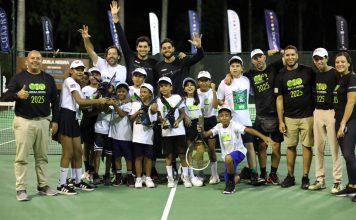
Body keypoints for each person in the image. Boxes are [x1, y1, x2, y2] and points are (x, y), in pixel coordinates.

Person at [2, 50, 59, 201]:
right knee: (21, 158)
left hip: (43, 121)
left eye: (38, 58)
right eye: (32, 58)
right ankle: (21, 189)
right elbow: (5, 95)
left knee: (42, 158)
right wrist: (17, 95)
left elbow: (55, 101)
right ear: (27, 61)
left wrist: (55, 120)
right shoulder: (18, 78)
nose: (35, 60)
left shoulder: (48, 79)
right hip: (24, 122)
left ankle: (43, 186)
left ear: (41, 61)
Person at [57, 60, 108, 195]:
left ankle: (77, 181)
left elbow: (81, 105)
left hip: (74, 118)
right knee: (68, 153)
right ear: (71, 71)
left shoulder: (78, 85)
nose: (80, 71)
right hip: (66, 117)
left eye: (81, 69)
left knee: (78, 152)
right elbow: (80, 101)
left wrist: (100, 101)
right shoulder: (70, 81)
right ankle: (61, 184)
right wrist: (98, 101)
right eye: (77, 69)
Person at [198, 106, 274, 194]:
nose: (224, 117)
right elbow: (205, 134)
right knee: (230, 179)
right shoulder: (218, 127)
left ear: (231, 117)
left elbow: (249, 130)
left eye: (227, 115)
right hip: (227, 158)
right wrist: (202, 130)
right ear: (218, 118)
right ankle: (243, 174)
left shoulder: (234, 125)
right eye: (221, 115)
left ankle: (231, 185)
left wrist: (263, 137)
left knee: (228, 158)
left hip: (239, 152)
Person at [217, 55, 265, 186]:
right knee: (231, 149)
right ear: (229, 68)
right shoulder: (224, 83)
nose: (235, 68)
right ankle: (232, 174)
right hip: (231, 123)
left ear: (242, 68)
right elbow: (219, 100)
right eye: (232, 66)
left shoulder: (247, 80)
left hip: (246, 121)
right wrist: (223, 104)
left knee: (250, 146)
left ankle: (254, 174)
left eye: (237, 66)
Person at [275, 45, 315, 189]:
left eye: (293, 55)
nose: (290, 57)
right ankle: (290, 176)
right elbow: (279, 99)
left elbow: (316, 92)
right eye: (287, 55)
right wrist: (281, 120)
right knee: (290, 147)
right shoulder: (280, 75)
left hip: (308, 117)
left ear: (297, 56)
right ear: (284, 57)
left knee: (307, 146)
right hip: (289, 118)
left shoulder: (308, 71)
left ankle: (305, 177)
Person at [308, 48, 343, 193]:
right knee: (318, 148)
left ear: (327, 58)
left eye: (321, 58)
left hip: (332, 113)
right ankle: (320, 179)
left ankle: (337, 181)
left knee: (335, 149)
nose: (319, 61)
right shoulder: (315, 75)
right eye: (316, 59)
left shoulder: (336, 73)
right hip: (317, 112)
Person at [110, 1, 158, 86]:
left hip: (148, 98)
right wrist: (116, 20)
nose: (142, 49)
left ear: (149, 48)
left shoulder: (154, 63)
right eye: (140, 46)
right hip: (131, 97)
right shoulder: (130, 57)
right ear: (137, 48)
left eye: (145, 47)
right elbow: (122, 40)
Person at [157, 76, 192, 188]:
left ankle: (186, 178)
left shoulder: (177, 97)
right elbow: (158, 116)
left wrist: (177, 121)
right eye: (161, 86)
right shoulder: (158, 100)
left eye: (166, 86)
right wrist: (162, 121)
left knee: (182, 155)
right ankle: (170, 179)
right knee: (169, 156)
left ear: (171, 87)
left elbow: (182, 113)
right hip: (166, 133)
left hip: (179, 132)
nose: (163, 88)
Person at [332, 51, 356, 202]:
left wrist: (342, 124)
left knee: (348, 155)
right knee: (348, 156)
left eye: (342, 62)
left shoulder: (352, 77)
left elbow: (351, 102)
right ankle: (352, 185)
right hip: (340, 121)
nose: (339, 64)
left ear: (348, 63)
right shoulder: (340, 79)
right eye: (337, 62)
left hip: (351, 121)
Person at [129, 83, 157, 188]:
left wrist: (151, 117)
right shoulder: (135, 104)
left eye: (145, 92)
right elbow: (130, 119)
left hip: (148, 137)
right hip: (137, 136)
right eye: (141, 92)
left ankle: (148, 177)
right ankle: (139, 178)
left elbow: (154, 122)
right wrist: (138, 112)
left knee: (148, 158)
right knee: (138, 157)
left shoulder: (154, 106)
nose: (142, 94)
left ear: (150, 94)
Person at [110, 82, 135, 187]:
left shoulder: (129, 104)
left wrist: (114, 104)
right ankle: (119, 176)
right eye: (119, 91)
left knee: (128, 158)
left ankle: (130, 176)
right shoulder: (114, 102)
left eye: (123, 91)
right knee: (117, 157)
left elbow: (121, 114)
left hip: (126, 136)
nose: (121, 93)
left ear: (127, 92)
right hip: (114, 136)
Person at [196, 71, 219, 184]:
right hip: (200, 120)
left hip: (211, 120)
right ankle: (200, 175)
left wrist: (214, 90)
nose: (203, 82)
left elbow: (215, 105)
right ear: (198, 82)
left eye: (206, 80)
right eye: (201, 80)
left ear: (210, 82)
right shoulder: (195, 93)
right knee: (200, 149)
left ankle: (214, 175)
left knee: (211, 149)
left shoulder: (213, 92)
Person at [80, 67, 102, 182]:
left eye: (97, 74)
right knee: (86, 146)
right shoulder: (84, 89)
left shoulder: (103, 89)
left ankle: (92, 170)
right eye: (92, 74)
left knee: (95, 147)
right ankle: (86, 170)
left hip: (99, 122)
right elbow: (83, 107)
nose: (94, 77)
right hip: (87, 121)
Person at [182, 77, 204, 187]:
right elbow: (180, 112)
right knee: (189, 151)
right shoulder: (182, 100)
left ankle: (197, 172)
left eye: (192, 85)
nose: (189, 87)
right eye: (187, 85)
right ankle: (191, 175)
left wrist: (201, 126)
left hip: (197, 126)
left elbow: (201, 114)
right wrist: (185, 117)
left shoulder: (199, 99)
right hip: (187, 126)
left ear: (195, 88)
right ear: (184, 89)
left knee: (199, 150)